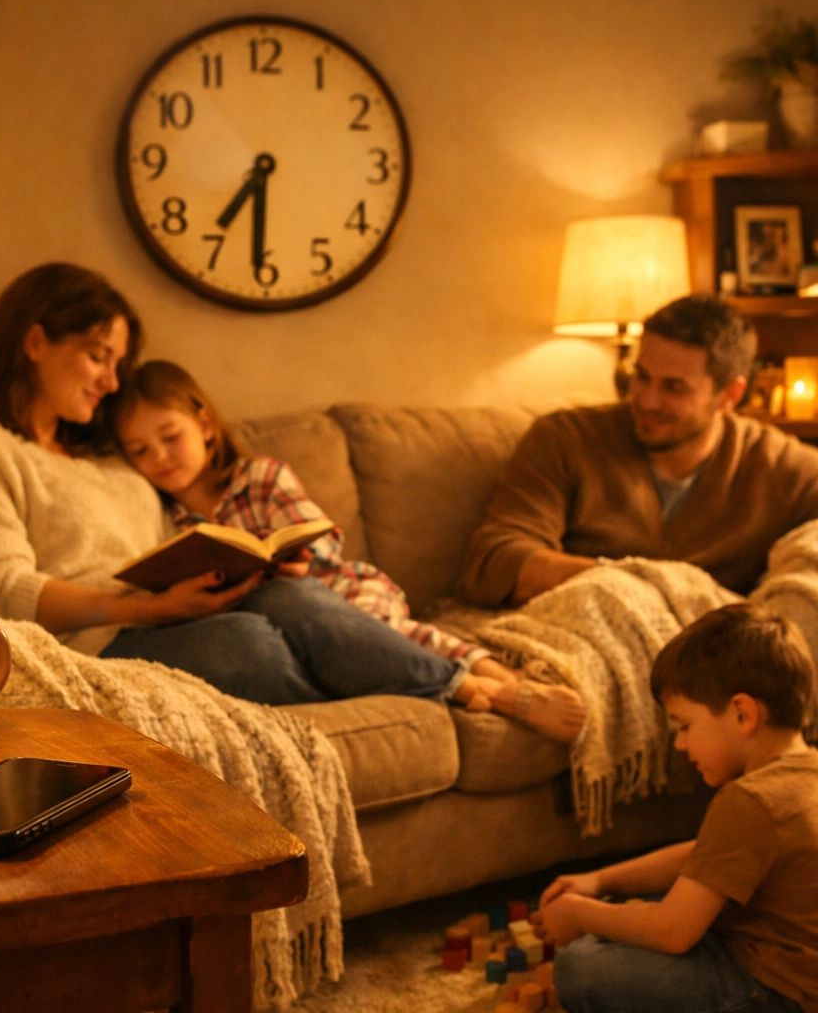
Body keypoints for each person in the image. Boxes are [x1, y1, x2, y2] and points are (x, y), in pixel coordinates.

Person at [0, 263, 507, 709]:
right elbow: (1, 589)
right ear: (36, 341)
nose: (111, 380)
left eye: (118, 363)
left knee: (289, 599)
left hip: (176, 615)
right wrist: (143, 610)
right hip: (98, 640)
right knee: (252, 644)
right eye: (99, 357)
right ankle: (421, 687)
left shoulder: (112, 457)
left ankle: (440, 685)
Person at [110, 360, 587, 741]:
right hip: (264, 623)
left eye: (170, 438)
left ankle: (500, 684)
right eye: (140, 451)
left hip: (327, 592)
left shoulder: (260, 476)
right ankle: (482, 685)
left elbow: (317, 539)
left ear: (206, 425)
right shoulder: (166, 521)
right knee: (339, 646)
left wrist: (294, 557)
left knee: (391, 633)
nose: (161, 458)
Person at [532, 603, 817, 1013]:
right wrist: (601, 880)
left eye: (684, 726)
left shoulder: (750, 799)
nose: (680, 744)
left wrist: (581, 914)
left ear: (742, 713)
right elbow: (702, 856)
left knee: (582, 967)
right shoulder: (804, 772)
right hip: (792, 966)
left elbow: (672, 933)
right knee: (647, 896)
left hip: (776, 990)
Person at [459, 294, 818, 609]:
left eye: (674, 388)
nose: (646, 400)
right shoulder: (565, 438)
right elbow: (496, 560)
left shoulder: (779, 466)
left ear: (730, 395)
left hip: (705, 664)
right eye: (642, 376)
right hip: (577, 624)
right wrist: (630, 582)